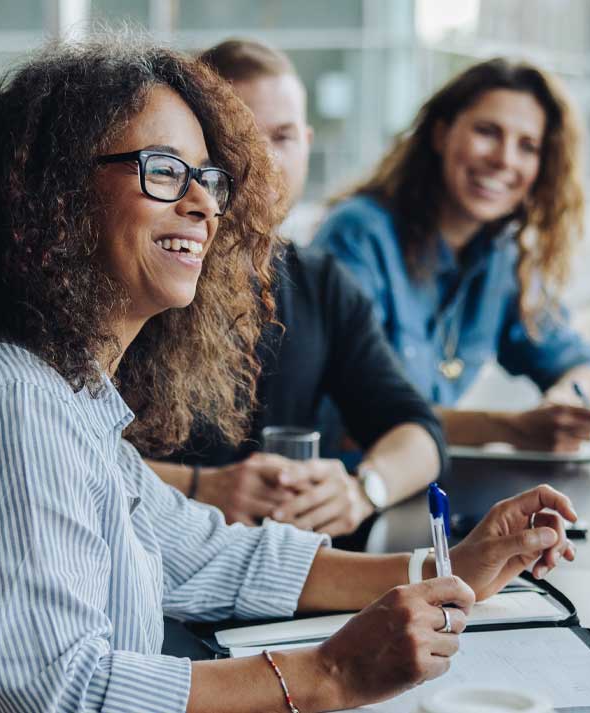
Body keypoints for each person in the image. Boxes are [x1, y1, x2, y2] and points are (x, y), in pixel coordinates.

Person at [0, 37, 579, 713]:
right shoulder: (6, 406)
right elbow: (60, 694)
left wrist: (444, 566)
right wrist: (329, 673)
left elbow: (210, 554)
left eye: (207, 178)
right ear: (54, 198)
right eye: (163, 171)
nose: (203, 203)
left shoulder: (66, 395)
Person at [140, 38, 444, 539]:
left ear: (306, 142)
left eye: (281, 138)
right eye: (239, 140)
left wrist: (364, 489)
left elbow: (418, 431)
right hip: (163, 581)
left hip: (292, 582)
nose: (262, 162)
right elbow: (69, 453)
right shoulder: (148, 275)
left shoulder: (321, 283)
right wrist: (199, 487)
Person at [312, 58, 590, 454]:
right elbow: (352, 420)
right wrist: (511, 428)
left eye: (527, 146)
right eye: (487, 132)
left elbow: (577, 361)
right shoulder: (359, 235)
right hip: (349, 492)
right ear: (441, 134)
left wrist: (567, 402)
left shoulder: (501, 255)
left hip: (427, 485)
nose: (504, 159)